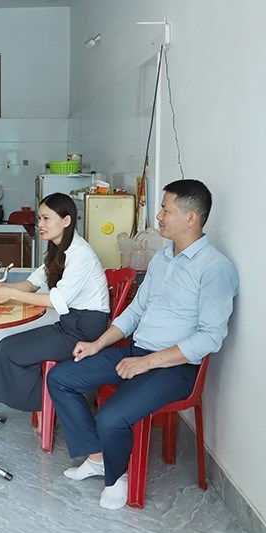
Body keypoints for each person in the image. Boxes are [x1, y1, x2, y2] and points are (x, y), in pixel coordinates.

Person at [47, 179, 239, 510]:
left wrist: (147, 363)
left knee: (110, 417)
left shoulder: (215, 268)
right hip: (137, 353)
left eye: (166, 210)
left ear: (191, 218)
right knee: (61, 378)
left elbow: (210, 337)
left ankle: (117, 477)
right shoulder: (163, 258)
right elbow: (135, 312)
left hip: (176, 369)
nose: (159, 216)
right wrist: (97, 345)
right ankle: (98, 457)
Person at [0, 193, 110, 431]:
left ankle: (46, 410)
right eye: (39, 218)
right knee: (6, 346)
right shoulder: (58, 250)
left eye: (46, 218)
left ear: (66, 221)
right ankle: (45, 407)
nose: (40, 224)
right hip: (70, 324)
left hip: (85, 330)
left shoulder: (80, 253)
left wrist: (11, 294)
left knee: (15, 353)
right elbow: (32, 284)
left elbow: (57, 301)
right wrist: (3, 288)